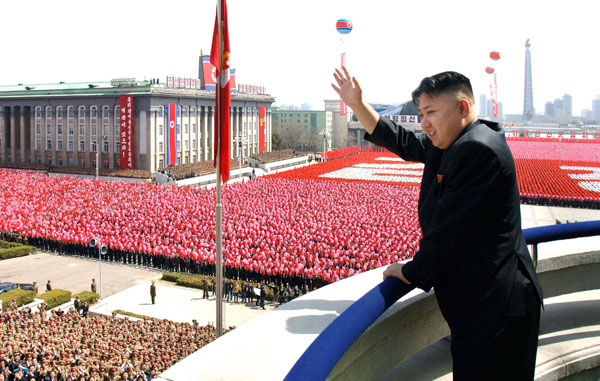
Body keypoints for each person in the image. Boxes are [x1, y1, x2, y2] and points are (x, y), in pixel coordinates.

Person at [332, 67, 543, 380]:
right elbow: (402, 141)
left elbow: (448, 231)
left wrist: (412, 271)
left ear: (462, 108)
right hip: (487, 305)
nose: (424, 123)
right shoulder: (459, 140)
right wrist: (358, 105)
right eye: (420, 114)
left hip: (496, 311)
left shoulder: (476, 150)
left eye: (431, 112)